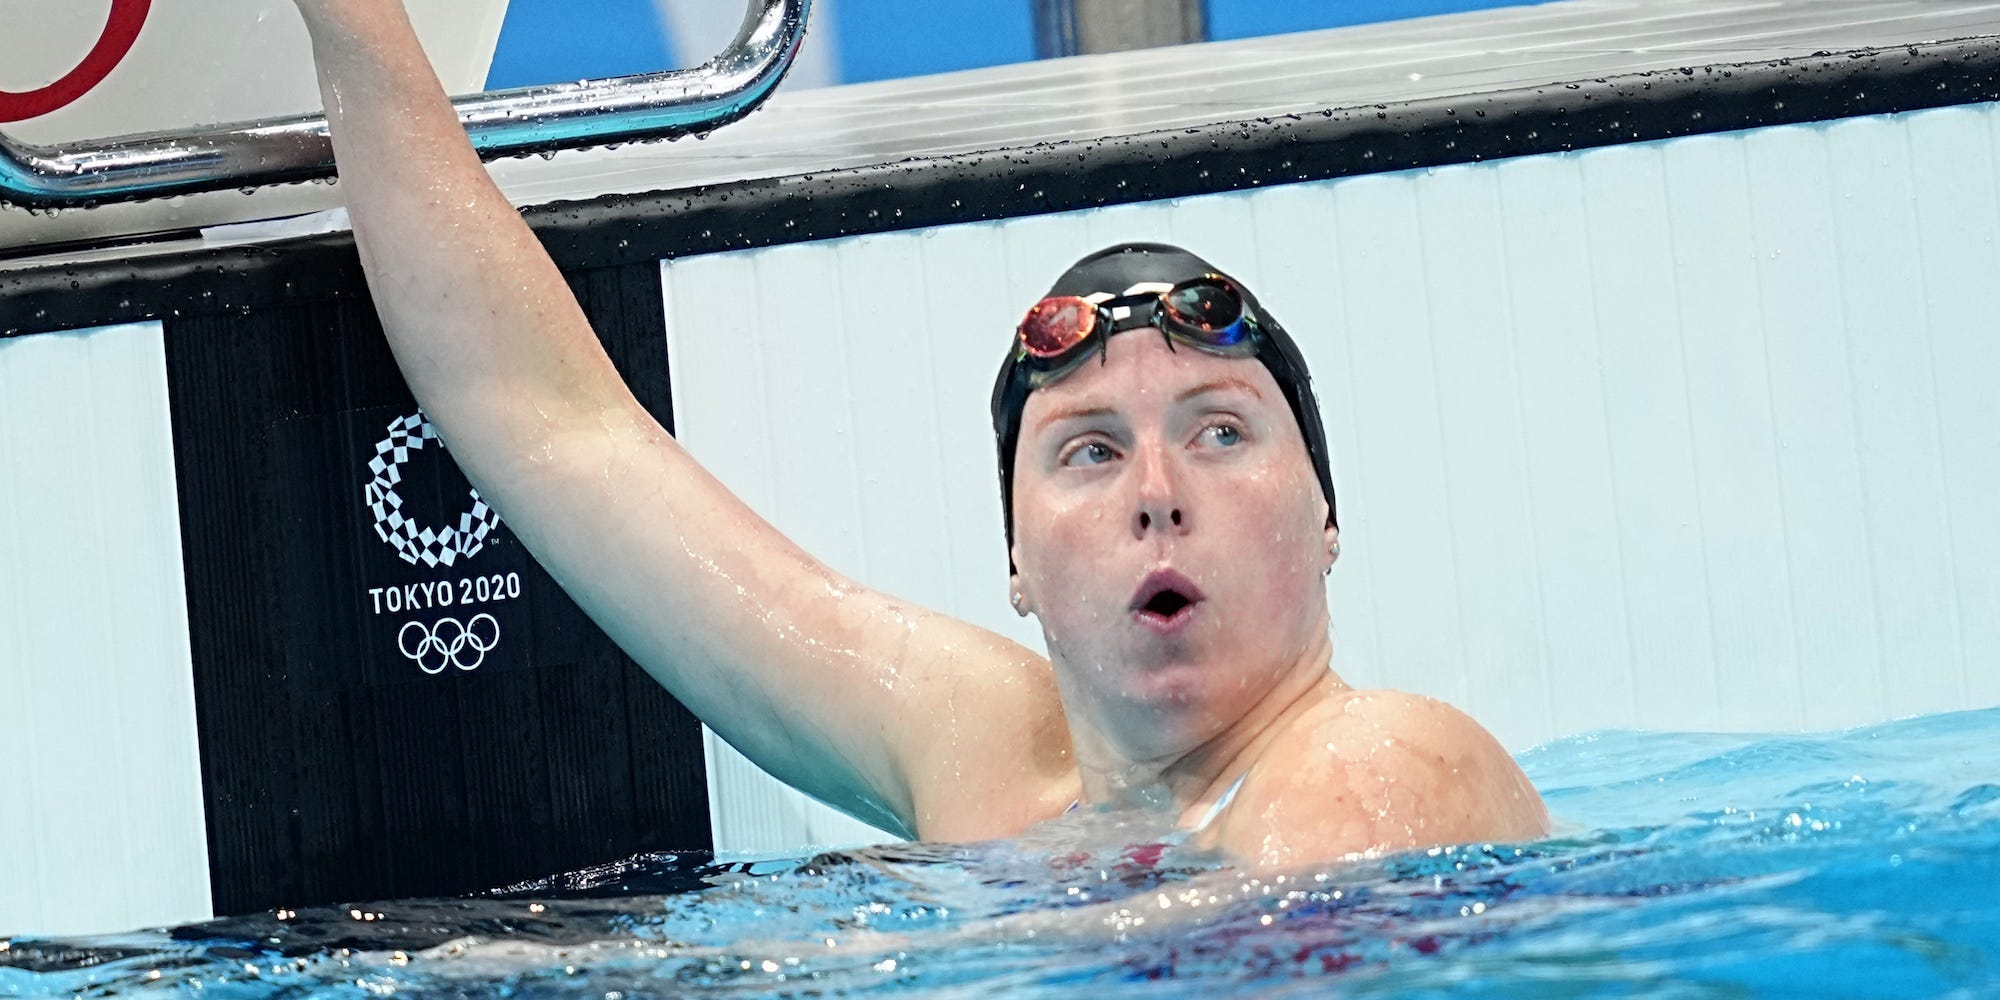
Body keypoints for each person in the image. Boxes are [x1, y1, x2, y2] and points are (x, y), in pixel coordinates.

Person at [290, 0, 1547, 869]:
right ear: (1015, 561)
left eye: (1218, 433)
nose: (1156, 492)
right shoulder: (987, 756)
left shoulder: (1384, 767)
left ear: (1326, 519)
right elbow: (556, 428)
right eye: (1089, 450)